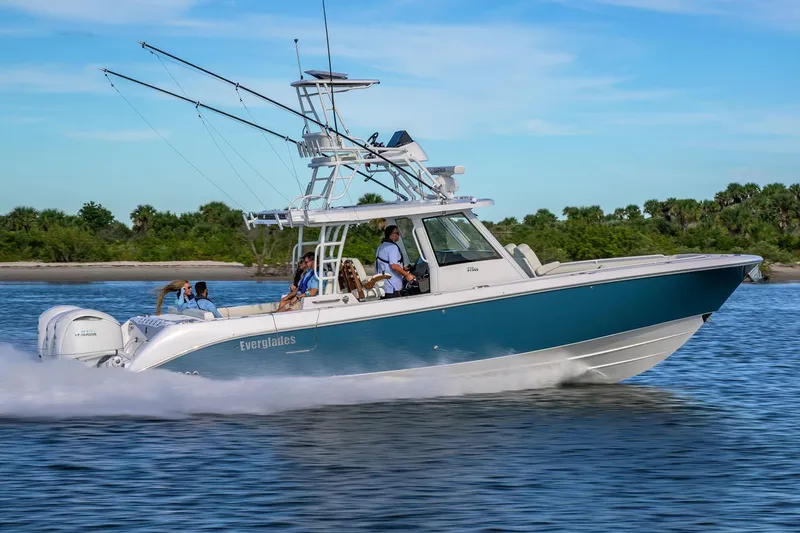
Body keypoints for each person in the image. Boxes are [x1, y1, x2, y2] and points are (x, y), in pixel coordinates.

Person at [375, 225, 415, 299]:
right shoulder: (392, 247)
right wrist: (407, 275)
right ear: (391, 234)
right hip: (392, 287)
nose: (398, 235)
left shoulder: (381, 246)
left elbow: (385, 264)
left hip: (384, 286)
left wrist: (403, 268)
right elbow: (394, 266)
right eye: (397, 233)